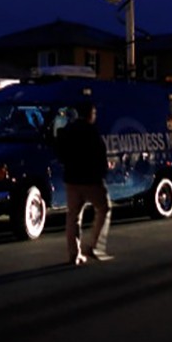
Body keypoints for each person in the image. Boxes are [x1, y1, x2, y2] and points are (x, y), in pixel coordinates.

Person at [55, 101, 112, 265]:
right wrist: (103, 171)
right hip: (90, 179)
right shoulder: (91, 132)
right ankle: (94, 245)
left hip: (71, 179)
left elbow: (60, 152)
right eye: (93, 113)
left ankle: (74, 253)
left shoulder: (68, 130)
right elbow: (100, 154)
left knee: (73, 216)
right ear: (89, 114)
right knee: (104, 208)